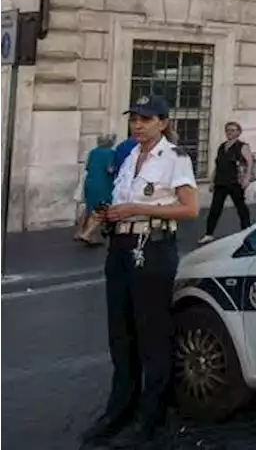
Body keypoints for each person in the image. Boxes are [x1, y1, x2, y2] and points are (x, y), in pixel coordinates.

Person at [81, 95, 199, 447]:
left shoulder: (175, 157)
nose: (137, 124)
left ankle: (152, 416)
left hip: (153, 248)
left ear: (162, 123)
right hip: (119, 247)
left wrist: (136, 207)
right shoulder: (129, 154)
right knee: (121, 333)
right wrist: (109, 214)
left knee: (152, 333)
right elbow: (121, 201)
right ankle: (119, 409)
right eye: (133, 118)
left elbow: (190, 208)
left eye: (146, 119)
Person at [199, 121, 255, 244]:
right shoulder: (222, 146)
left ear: (238, 132)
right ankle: (209, 234)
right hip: (221, 181)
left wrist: (247, 178)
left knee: (241, 207)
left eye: (233, 130)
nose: (229, 132)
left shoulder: (242, 146)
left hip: (235, 181)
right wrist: (212, 181)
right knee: (215, 208)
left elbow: (249, 163)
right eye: (228, 130)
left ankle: (247, 230)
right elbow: (217, 165)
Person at [76, 134, 118, 246]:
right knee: (101, 209)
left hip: (90, 182)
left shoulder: (93, 152)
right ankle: (87, 234)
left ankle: (82, 233)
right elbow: (110, 169)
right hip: (103, 184)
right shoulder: (111, 153)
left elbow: (88, 167)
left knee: (90, 208)